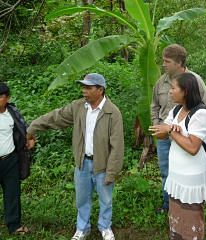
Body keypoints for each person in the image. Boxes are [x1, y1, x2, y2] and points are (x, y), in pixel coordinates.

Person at [26, 73, 124, 240]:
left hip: (103, 165)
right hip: (83, 163)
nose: (83, 90)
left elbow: (117, 146)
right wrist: (32, 127)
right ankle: (82, 228)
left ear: (100, 90)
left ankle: (105, 227)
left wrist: (112, 171)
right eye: (83, 86)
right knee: (82, 199)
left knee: (106, 200)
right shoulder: (78, 107)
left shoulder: (112, 112)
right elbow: (56, 117)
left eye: (88, 87)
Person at [149, 72, 206, 239]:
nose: (170, 91)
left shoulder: (201, 114)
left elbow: (193, 147)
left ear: (185, 91)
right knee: (176, 215)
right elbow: (161, 133)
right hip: (176, 174)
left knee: (190, 218)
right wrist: (162, 130)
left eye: (174, 88)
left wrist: (171, 131)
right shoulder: (176, 110)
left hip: (191, 177)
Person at [0, 82, 30, 235]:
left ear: (7, 98)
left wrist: (29, 139)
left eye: (0, 97)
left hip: (10, 159)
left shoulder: (12, 113)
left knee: (12, 194)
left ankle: (14, 225)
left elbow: (24, 129)